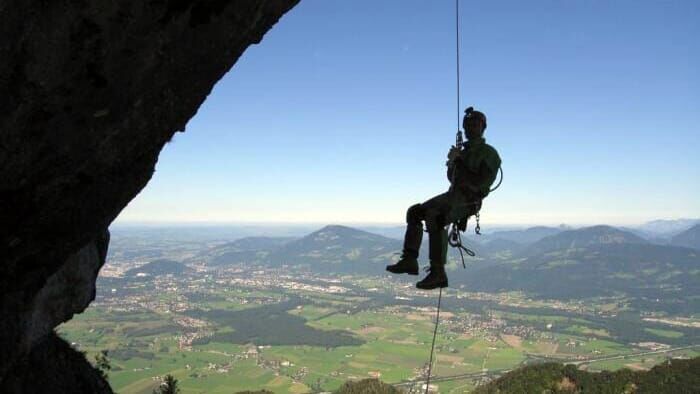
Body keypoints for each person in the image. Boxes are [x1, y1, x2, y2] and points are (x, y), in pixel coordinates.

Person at [386, 107, 501, 290]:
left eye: (475, 124)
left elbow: (481, 181)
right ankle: (409, 260)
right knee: (415, 212)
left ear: (483, 127)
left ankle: (438, 272)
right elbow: (453, 179)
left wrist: (459, 161)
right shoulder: (463, 151)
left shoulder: (489, 153)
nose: (471, 127)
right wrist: (452, 164)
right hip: (453, 195)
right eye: (469, 124)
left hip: (469, 199)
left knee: (436, 217)